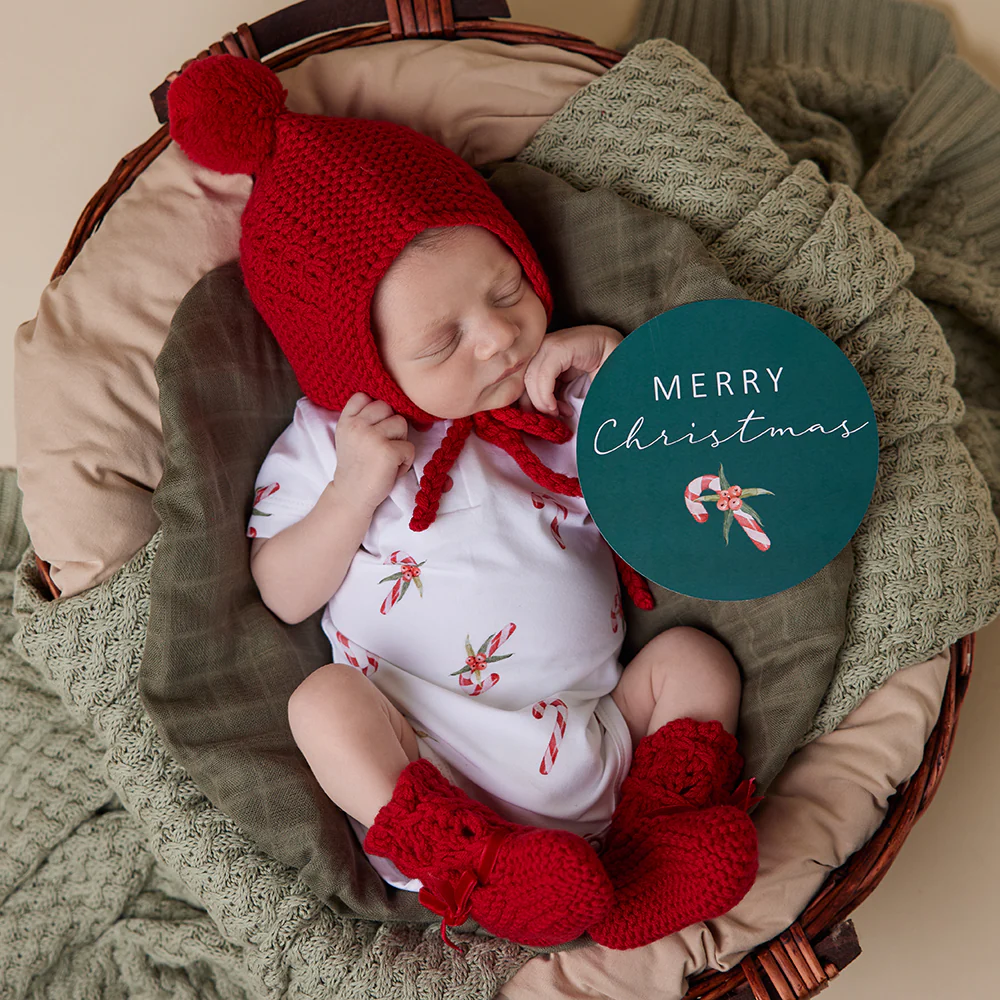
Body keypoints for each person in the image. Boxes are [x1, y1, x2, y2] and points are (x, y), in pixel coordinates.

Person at [168, 53, 758, 953]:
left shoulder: (559, 398)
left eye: (507, 289)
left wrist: (613, 368)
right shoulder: (333, 442)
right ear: (363, 365)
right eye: (443, 340)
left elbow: (679, 472)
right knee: (322, 704)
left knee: (695, 660)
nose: (498, 338)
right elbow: (283, 592)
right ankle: (480, 868)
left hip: (598, 736)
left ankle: (651, 846)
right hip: (433, 768)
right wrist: (354, 490)